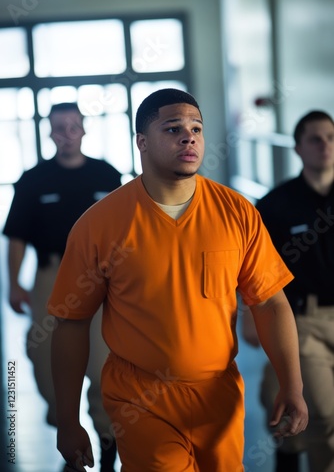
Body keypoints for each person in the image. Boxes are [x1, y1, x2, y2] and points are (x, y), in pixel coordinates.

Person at [48, 88, 308, 472]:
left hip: (218, 395)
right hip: (140, 397)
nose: (189, 137)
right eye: (172, 129)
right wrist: (68, 420)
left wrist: (293, 384)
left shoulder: (236, 212)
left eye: (196, 128)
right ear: (141, 142)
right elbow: (71, 322)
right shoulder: (100, 224)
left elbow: (269, 301)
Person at [3, 102, 122, 472]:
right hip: (51, 277)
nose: (67, 134)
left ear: (84, 129)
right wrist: (14, 284)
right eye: (59, 128)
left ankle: (106, 447)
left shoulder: (106, 174)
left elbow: (127, 232)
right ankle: (68, 430)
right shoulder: (33, 179)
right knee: (46, 364)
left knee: (106, 367)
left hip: (101, 278)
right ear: (50, 132)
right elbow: (17, 237)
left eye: (73, 126)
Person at [243, 110, 334, 472]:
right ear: (298, 148)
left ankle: (288, 450)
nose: (325, 145)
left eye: (330, 137)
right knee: (324, 416)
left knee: (292, 412)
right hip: (302, 322)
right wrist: (250, 317)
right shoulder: (275, 204)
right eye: (315, 138)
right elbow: (253, 271)